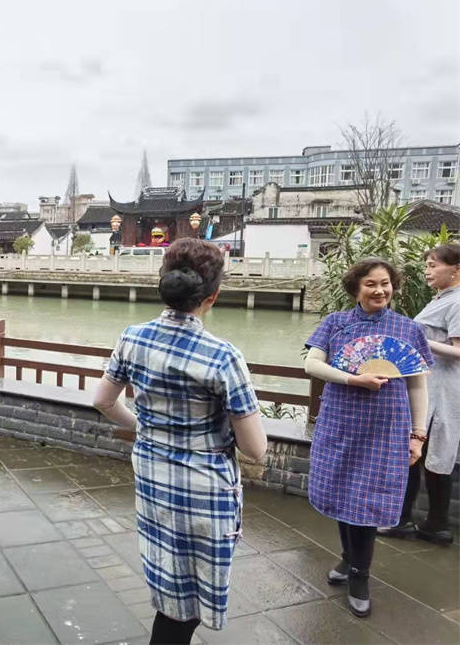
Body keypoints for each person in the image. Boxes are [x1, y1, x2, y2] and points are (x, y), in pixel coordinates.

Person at [93, 238, 267, 643]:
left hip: (153, 478)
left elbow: (103, 401)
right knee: (189, 602)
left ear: (164, 281)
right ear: (214, 295)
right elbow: (255, 448)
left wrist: (147, 428)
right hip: (204, 488)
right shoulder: (223, 356)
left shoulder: (133, 337)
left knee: (168, 580)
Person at [303, 257, 432, 618]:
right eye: (371, 284)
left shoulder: (408, 329)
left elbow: (418, 384)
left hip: (386, 428)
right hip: (340, 423)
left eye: (386, 283)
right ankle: (348, 559)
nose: (380, 290)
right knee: (344, 495)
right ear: (356, 288)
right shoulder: (336, 323)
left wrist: (418, 434)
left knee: (367, 503)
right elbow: (312, 365)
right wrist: (353, 379)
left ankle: (360, 574)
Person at [378, 243, 460, 545]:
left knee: (416, 452)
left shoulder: (457, 301)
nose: (427, 271)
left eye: (433, 265)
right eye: (426, 265)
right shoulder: (441, 299)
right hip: (430, 385)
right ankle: (432, 524)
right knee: (425, 455)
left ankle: (405, 519)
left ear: (456, 270)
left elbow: (458, 352)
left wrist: (419, 338)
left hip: (440, 390)